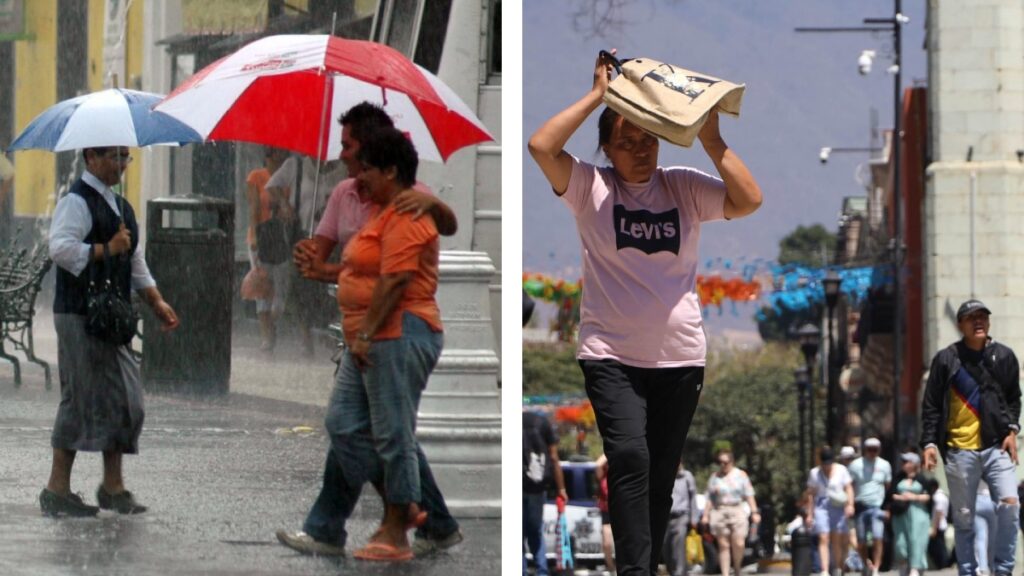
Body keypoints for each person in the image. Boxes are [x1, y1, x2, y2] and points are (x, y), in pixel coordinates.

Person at [527, 50, 762, 576]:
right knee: (629, 458)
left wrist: (711, 138)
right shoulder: (592, 187)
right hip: (610, 354)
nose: (639, 151)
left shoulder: (681, 185)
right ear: (607, 147)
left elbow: (748, 200)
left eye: (647, 139)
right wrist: (598, 95)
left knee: (657, 476)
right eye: (626, 141)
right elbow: (542, 145)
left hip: (679, 359)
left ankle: (645, 565)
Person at [277, 103, 461, 559]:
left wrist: (365, 333)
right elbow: (351, 268)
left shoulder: (408, 206)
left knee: (392, 433)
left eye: (356, 155)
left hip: (393, 332)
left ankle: (397, 522)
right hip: (365, 332)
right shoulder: (367, 203)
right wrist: (316, 266)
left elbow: (395, 279)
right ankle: (419, 512)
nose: (352, 170)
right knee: (347, 426)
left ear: (387, 167)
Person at [42, 146, 179, 517]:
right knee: (80, 396)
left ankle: (112, 486)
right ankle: (57, 489)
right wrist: (105, 248)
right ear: (90, 157)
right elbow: (60, 249)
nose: (121, 164)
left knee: (126, 398)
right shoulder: (77, 202)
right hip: (79, 314)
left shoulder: (122, 208)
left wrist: (156, 301)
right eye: (113, 157)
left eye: (125, 157)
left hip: (112, 317)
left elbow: (135, 262)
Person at [920, 299, 1021, 576]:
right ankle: (967, 571)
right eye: (971, 318)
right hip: (959, 450)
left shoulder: (1004, 356)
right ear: (960, 325)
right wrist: (929, 443)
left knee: (1010, 506)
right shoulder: (946, 359)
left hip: (996, 445)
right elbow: (930, 405)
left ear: (988, 322)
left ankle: (1003, 570)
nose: (978, 322)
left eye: (983, 317)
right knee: (964, 518)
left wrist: (1012, 430)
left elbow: (1014, 398)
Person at [265, 153, 347, 355]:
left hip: (333, 239)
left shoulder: (344, 171)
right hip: (302, 235)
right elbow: (272, 185)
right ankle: (305, 337)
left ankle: (333, 333)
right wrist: (284, 204)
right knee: (299, 286)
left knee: (334, 287)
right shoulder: (296, 166)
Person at [245, 147, 290, 352]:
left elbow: (290, 210)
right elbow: (254, 208)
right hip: (261, 237)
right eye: (278, 154)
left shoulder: (286, 180)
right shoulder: (256, 177)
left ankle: (273, 326)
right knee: (262, 287)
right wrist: (255, 236)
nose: (281, 159)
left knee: (280, 289)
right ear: (270, 156)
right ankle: (266, 336)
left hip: (282, 239)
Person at [702, 449, 760, 576]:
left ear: (732, 461)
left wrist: (755, 512)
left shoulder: (741, 475)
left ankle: (737, 568)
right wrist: (705, 515)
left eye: (725, 462)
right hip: (719, 511)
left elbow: (750, 495)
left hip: (737, 509)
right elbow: (710, 498)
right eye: (720, 462)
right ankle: (725, 573)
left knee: (739, 542)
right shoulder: (715, 477)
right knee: (723, 545)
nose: (722, 464)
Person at [523, 409, 567, 576]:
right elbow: (554, 458)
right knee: (536, 531)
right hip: (538, 485)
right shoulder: (543, 424)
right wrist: (561, 489)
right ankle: (542, 571)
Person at [804, 446, 854, 576]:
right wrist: (809, 514)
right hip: (821, 505)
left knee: (837, 538)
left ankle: (837, 567)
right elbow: (811, 494)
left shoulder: (841, 470)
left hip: (838, 505)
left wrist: (850, 505)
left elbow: (848, 488)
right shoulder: (814, 473)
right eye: (824, 463)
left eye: (829, 463)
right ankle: (825, 570)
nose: (827, 466)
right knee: (823, 536)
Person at [848, 438, 892, 576]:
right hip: (860, 506)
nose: (872, 452)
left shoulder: (885, 465)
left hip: (876, 507)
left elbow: (888, 486)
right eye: (869, 449)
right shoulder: (855, 465)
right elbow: (849, 485)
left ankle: (876, 568)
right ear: (865, 450)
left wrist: (887, 507)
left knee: (877, 538)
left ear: (879, 450)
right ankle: (866, 563)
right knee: (860, 541)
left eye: (875, 449)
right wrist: (850, 504)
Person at [890, 452, 931, 576]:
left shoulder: (921, 478)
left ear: (914, 464)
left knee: (916, 541)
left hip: (918, 514)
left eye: (907, 462)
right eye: (903, 462)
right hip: (900, 515)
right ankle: (903, 566)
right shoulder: (898, 478)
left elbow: (929, 496)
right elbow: (890, 494)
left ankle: (915, 568)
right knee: (900, 544)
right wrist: (900, 497)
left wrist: (914, 497)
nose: (904, 464)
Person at [664, 459, 698, 576]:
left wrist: (694, 518)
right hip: (666, 518)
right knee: (666, 547)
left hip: (681, 516)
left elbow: (693, 498)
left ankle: (680, 573)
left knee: (678, 548)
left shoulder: (687, 476)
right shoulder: (665, 474)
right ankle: (672, 571)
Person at [595, 453, 616, 574]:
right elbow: (598, 464)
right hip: (606, 509)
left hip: (622, 508)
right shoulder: (603, 475)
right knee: (607, 542)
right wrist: (609, 451)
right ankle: (611, 567)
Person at [973, 482, 997, 576]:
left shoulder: (972, 467)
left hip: (977, 498)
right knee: (993, 538)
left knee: (980, 538)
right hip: (992, 498)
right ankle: (992, 566)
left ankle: (982, 568)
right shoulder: (994, 467)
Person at [928, 481, 951, 569]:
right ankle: (943, 563)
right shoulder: (943, 495)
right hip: (941, 524)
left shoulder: (938, 497)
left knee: (938, 547)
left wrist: (934, 527)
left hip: (939, 525)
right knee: (941, 546)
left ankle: (943, 564)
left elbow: (938, 512)